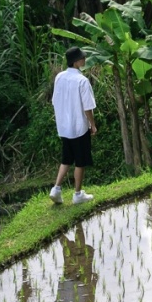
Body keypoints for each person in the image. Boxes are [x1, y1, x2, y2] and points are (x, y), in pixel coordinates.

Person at [49, 45, 97, 205]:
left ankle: (56, 189)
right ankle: (77, 194)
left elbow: (55, 101)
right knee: (80, 161)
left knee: (66, 158)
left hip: (64, 127)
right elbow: (87, 107)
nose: (84, 59)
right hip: (78, 126)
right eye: (82, 58)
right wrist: (92, 124)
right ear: (76, 62)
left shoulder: (60, 77)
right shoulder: (82, 81)